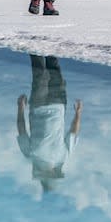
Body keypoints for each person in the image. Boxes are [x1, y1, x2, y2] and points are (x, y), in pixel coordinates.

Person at [16, 54, 82, 193]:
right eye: (55, 176)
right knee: (54, 67)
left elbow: (22, 130)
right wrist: (78, 113)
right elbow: (73, 133)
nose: (52, 174)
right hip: (59, 104)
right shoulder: (63, 156)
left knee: (39, 71)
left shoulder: (30, 155)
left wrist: (20, 108)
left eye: (51, 177)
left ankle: (32, 39)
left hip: (38, 105)